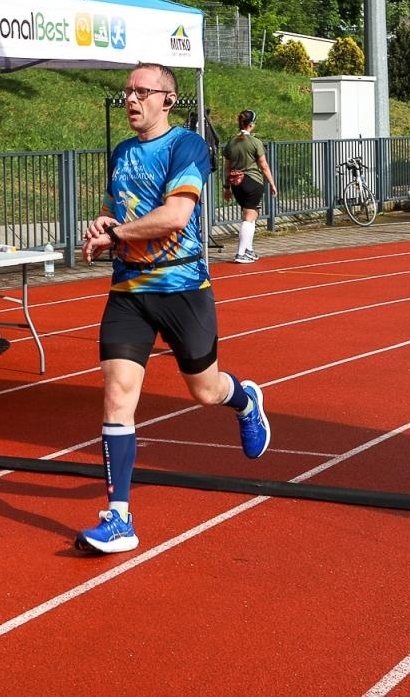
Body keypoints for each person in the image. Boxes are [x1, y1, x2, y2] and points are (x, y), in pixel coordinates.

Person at [76, 63, 270, 554]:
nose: (131, 99)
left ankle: (244, 400)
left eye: (142, 91)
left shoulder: (187, 146)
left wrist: (118, 233)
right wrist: (102, 228)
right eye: (127, 91)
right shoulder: (121, 151)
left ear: (167, 99)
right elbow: (115, 209)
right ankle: (119, 518)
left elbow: (176, 215)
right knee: (117, 395)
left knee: (205, 391)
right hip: (128, 292)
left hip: (182, 289)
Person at [222, 108, 279, 264]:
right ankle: (241, 253)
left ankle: (248, 249)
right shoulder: (255, 142)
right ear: (252, 124)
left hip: (236, 183)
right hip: (252, 182)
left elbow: (226, 167)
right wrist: (272, 183)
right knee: (249, 217)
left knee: (251, 215)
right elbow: (264, 166)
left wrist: (226, 187)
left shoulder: (232, 142)